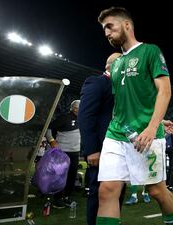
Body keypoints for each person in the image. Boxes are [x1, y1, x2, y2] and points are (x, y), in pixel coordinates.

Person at [96, 7, 173, 225]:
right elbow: (125, 103)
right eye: (104, 28)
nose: (106, 32)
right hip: (116, 133)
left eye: (109, 26)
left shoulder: (150, 51)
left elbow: (164, 91)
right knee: (107, 190)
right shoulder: (116, 64)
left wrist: (153, 127)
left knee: (156, 191)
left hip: (145, 135)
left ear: (127, 25)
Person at [78, 52, 127, 225]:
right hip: (100, 149)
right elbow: (85, 117)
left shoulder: (121, 89)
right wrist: (91, 150)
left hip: (120, 149)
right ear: (111, 66)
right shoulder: (97, 82)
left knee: (117, 192)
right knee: (99, 193)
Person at [46, 100, 80, 209]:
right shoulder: (64, 118)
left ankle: (67, 197)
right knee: (59, 176)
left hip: (75, 152)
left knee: (71, 176)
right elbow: (48, 127)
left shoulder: (84, 118)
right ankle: (57, 199)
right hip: (63, 151)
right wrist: (52, 140)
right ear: (74, 108)